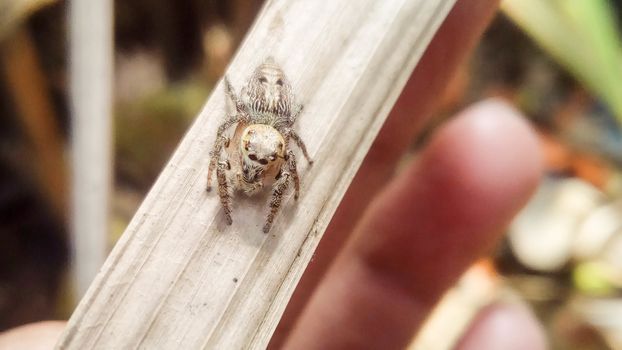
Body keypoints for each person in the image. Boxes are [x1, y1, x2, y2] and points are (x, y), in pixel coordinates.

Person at [0, 0, 547, 349]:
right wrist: (222, 185)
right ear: (241, 141)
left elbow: (290, 149)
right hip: (259, 107)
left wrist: (292, 175)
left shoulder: (282, 143)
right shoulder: (236, 130)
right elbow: (225, 135)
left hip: (272, 112)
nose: (260, 168)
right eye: (254, 159)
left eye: (269, 160)